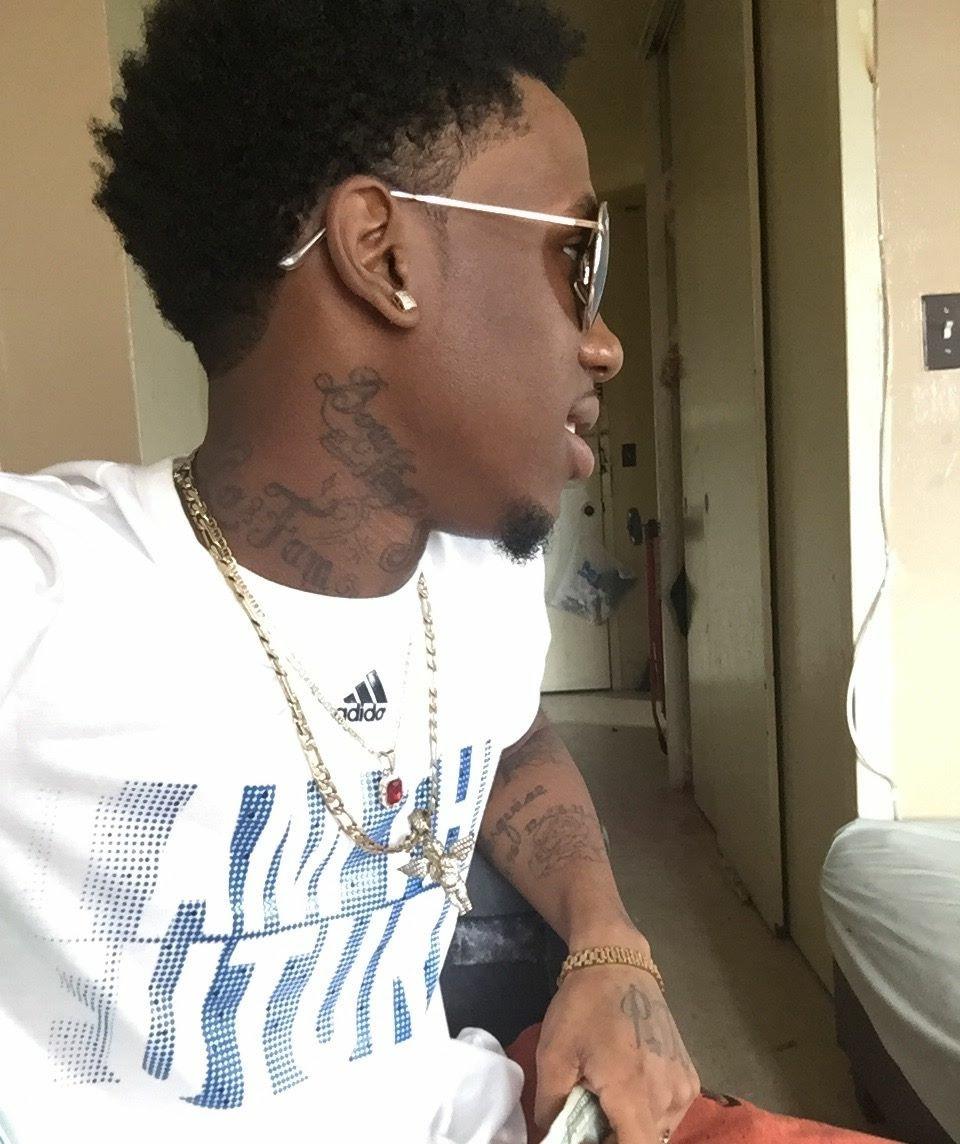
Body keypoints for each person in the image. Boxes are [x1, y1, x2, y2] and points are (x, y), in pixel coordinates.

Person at [0, 4, 894, 1143]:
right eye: (576, 259)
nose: (606, 342)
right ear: (383, 254)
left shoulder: (477, 576)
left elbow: (512, 738)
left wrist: (608, 941)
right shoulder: (46, 589)